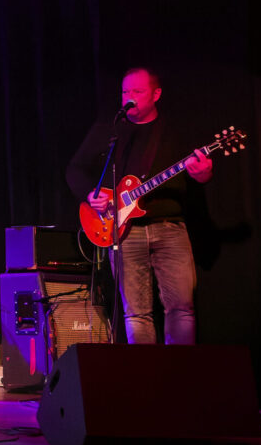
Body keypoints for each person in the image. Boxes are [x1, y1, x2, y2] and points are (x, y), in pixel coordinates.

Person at [66, 67, 212, 344]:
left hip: (170, 227)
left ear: (156, 94)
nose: (129, 97)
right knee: (136, 314)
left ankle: (183, 368)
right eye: (125, 92)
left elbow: (201, 175)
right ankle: (146, 370)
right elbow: (75, 169)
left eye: (137, 91)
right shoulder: (111, 129)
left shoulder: (175, 129)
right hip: (124, 232)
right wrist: (90, 194)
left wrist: (203, 172)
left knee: (181, 308)